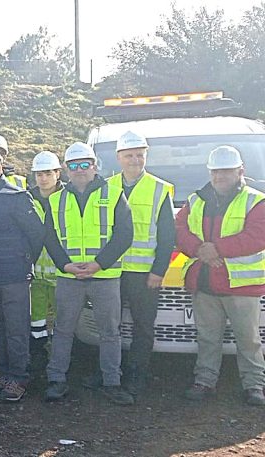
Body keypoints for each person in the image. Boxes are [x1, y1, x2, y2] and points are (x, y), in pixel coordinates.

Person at [42, 143, 135, 406]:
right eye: (74, 165)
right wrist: (65, 266)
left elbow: (124, 235)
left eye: (85, 164)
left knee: (109, 331)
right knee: (63, 329)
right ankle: (57, 380)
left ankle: (111, 382)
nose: (80, 170)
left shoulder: (114, 194)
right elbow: (49, 237)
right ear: (66, 169)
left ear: (94, 166)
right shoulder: (56, 200)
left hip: (105, 276)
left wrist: (98, 264)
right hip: (69, 277)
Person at [176, 146, 265, 406]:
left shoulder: (256, 201)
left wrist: (216, 249)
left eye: (226, 171)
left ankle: (254, 385)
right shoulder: (195, 200)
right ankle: (204, 381)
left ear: (240, 171)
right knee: (207, 337)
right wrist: (199, 250)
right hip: (205, 283)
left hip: (241, 286)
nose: (220, 176)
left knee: (248, 340)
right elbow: (179, 228)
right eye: (215, 171)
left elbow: (257, 236)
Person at [0, 144, 45, 402]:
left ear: (0, 166)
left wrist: (24, 261)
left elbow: (37, 233)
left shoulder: (16, 197)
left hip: (13, 277)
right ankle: (5, 374)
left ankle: (19, 377)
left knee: (16, 329)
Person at [108, 131, 176, 395]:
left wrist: (158, 271)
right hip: (111, 271)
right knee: (110, 325)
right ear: (119, 158)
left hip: (144, 273)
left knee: (143, 326)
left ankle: (137, 374)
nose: (135, 160)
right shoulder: (106, 186)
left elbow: (167, 235)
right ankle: (110, 372)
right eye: (129, 155)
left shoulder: (160, 189)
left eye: (139, 155)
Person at [27, 152, 64, 373]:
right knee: (36, 320)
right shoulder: (27, 199)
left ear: (57, 173)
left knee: (63, 321)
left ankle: (61, 361)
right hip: (35, 275)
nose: (43, 178)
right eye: (39, 174)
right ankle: (38, 357)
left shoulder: (67, 197)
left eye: (48, 173)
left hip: (62, 274)